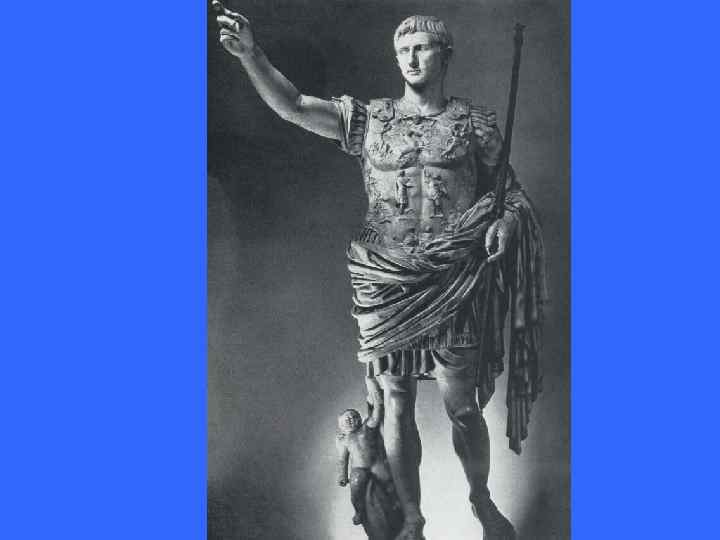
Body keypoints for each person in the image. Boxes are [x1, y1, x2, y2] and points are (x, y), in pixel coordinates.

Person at [216, 6, 545, 540]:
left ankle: (481, 498)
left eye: (422, 49)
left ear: (445, 56)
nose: (411, 59)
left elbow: (511, 194)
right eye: (403, 51)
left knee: (462, 406)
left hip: (451, 275)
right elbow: (294, 106)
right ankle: (412, 519)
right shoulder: (371, 120)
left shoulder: (473, 125)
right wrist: (252, 55)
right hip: (385, 278)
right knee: (395, 400)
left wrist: (505, 223)